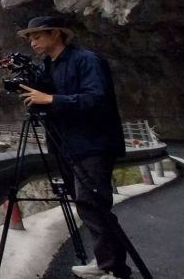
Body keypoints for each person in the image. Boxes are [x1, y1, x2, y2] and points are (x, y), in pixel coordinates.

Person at [16, 16, 131, 279]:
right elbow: (44, 102)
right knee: (86, 204)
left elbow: (97, 99)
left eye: (37, 36)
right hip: (66, 146)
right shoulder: (48, 67)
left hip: (93, 144)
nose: (32, 42)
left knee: (93, 204)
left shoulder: (86, 60)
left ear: (56, 33)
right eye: (30, 38)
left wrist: (51, 98)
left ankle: (115, 268)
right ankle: (106, 262)